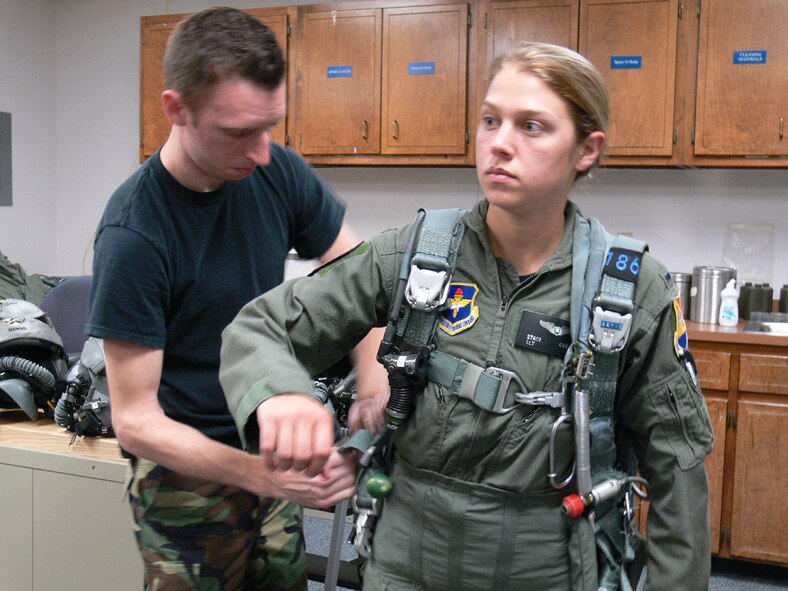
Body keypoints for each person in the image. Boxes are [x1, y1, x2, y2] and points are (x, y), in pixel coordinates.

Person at [219, 42, 713, 590]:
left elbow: (678, 466)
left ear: (586, 150)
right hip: (405, 562)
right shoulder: (415, 255)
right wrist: (282, 393)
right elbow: (261, 327)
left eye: (532, 126)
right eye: (489, 120)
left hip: (550, 567)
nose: (499, 144)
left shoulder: (630, 290)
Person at [86, 7, 386, 590]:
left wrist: (372, 379)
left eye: (270, 125)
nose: (261, 151)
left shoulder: (274, 173)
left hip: (267, 448)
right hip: (183, 479)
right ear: (178, 109)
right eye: (239, 132)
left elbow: (363, 276)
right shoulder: (134, 235)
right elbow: (136, 421)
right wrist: (260, 475)